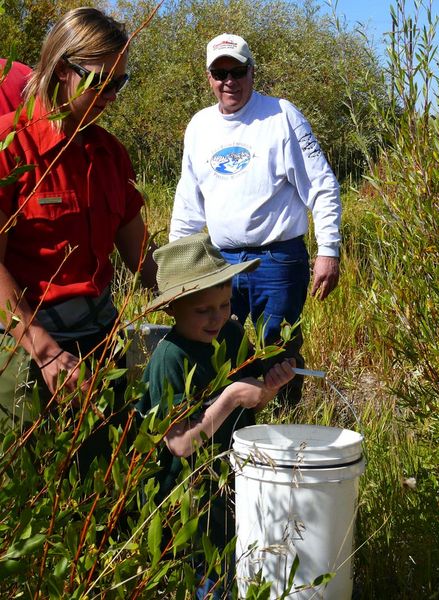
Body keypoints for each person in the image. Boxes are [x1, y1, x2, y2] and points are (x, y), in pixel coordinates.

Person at [0, 8, 157, 469]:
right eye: (101, 81)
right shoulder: (12, 147)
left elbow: (142, 260)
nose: (111, 96)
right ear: (63, 70)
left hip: (99, 345)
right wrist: (44, 351)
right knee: (29, 496)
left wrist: (203, 295)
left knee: (103, 481)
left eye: (119, 84)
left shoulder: (110, 154)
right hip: (27, 351)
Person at [170, 33, 341, 408]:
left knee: (277, 348)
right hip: (220, 262)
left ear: (252, 72)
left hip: (277, 260)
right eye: (220, 72)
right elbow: (188, 202)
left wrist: (328, 249)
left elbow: (322, 184)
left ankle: (285, 425)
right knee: (214, 344)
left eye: (238, 71)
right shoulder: (199, 126)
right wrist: (176, 270)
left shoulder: (281, 116)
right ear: (209, 77)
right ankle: (226, 422)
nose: (229, 81)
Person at [136, 232, 295, 597]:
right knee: (200, 580)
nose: (217, 317)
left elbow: (249, 403)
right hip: (182, 503)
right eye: (203, 309)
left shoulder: (233, 334)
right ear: (171, 308)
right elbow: (179, 443)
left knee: (234, 569)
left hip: (229, 488)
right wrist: (233, 395)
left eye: (224, 304)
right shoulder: (170, 358)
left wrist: (267, 389)